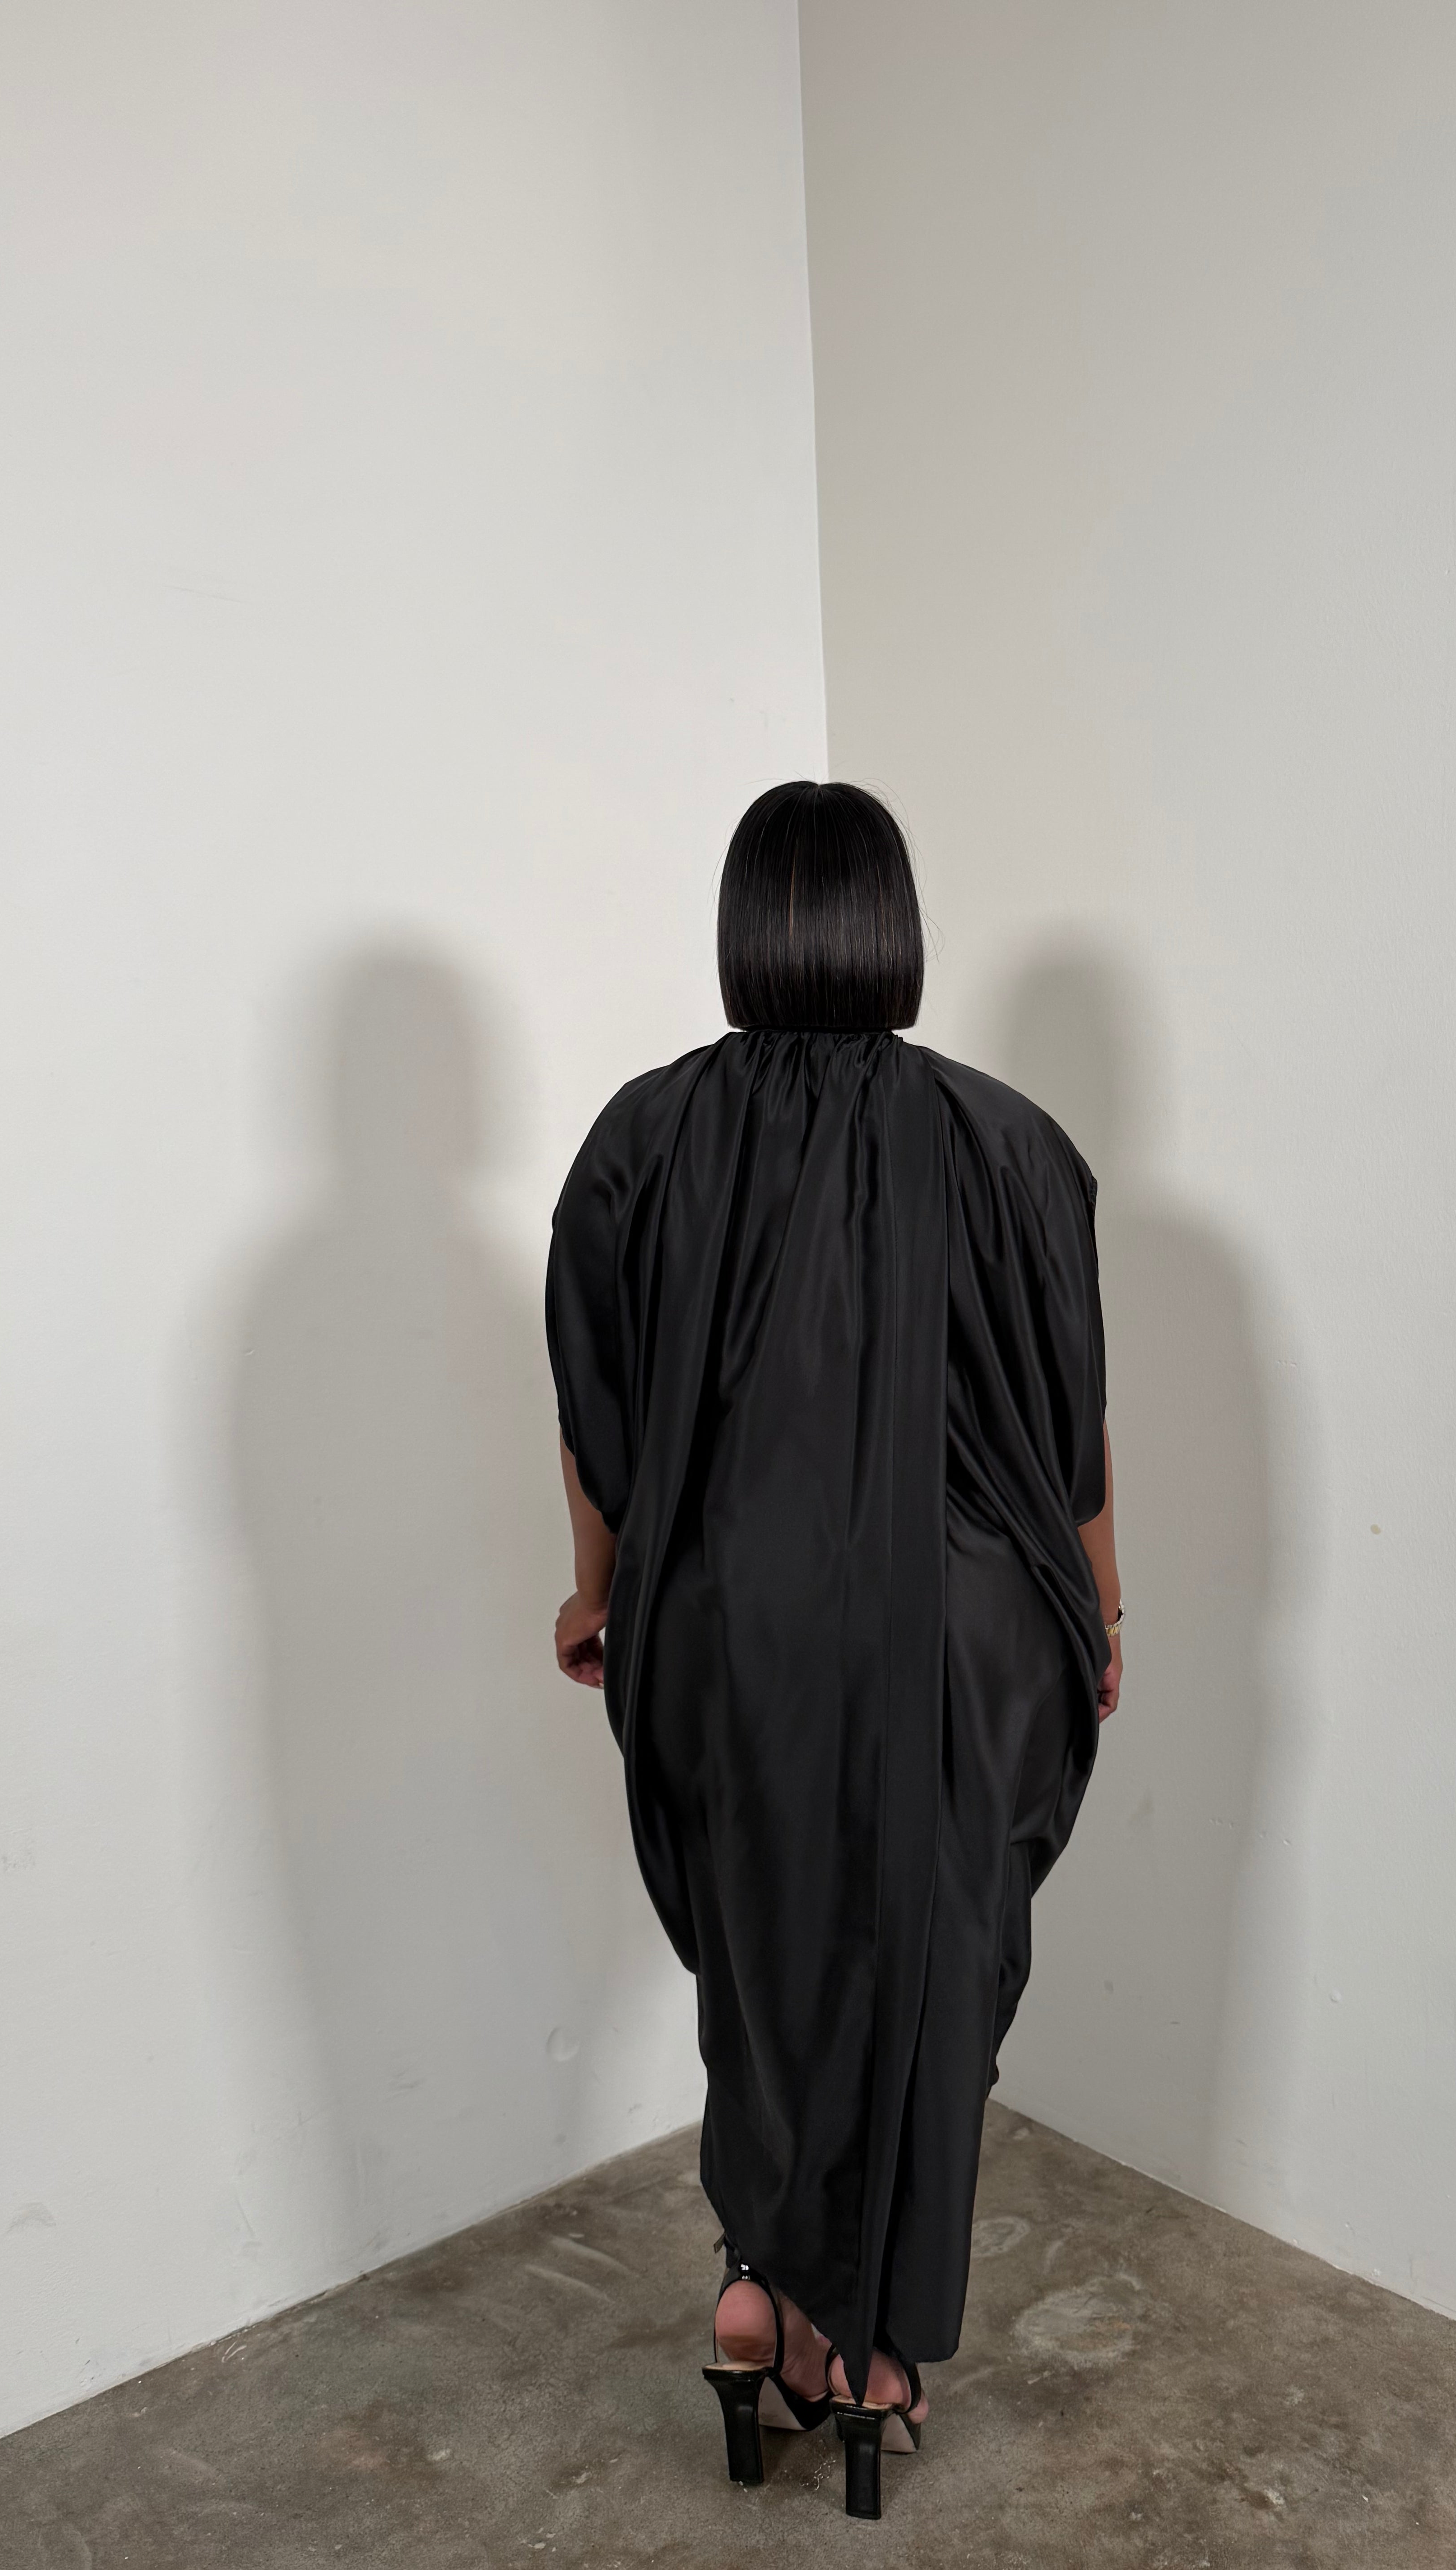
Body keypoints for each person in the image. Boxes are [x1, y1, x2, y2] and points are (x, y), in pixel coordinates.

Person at [544, 780, 1121, 2520]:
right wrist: (1097, 1615)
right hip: (965, 1626)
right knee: (932, 1971)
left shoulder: (642, 1135)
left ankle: (763, 2297)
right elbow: (1071, 1432)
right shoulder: (1009, 1140)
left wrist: (596, 1590)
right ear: (895, 925)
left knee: (765, 1961)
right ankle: (870, 2358)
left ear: (744, 926)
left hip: (730, 1622)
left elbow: (595, 1411)